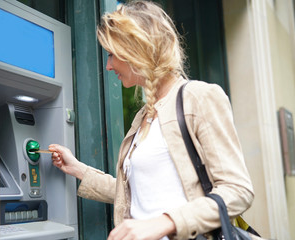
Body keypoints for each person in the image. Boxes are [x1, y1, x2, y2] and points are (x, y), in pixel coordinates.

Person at [49, 1, 254, 239]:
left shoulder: (198, 97)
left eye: (112, 54)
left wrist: (166, 222)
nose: (108, 65)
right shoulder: (144, 115)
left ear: (138, 49)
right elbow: (135, 192)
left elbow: (238, 190)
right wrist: (78, 169)